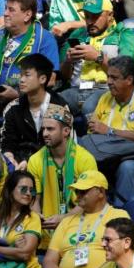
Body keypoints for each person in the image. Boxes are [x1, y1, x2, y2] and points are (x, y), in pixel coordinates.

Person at [0, 0, 60, 109]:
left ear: (27, 15)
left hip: (27, 104)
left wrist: (18, 95)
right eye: (5, 9)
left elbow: (50, 80)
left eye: (11, 10)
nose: (5, 13)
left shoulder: (44, 39)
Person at [27, 104, 97, 248]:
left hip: (78, 230)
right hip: (46, 233)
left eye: (50, 129)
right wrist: (37, 216)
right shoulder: (35, 160)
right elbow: (33, 197)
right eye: (43, 129)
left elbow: (91, 201)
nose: (45, 133)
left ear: (66, 131)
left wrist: (64, 219)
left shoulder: (85, 159)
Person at [43, 170, 129, 268]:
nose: (78, 196)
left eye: (83, 192)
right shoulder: (67, 221)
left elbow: (121, 255)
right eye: (77, 191)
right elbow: (50, 260)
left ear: (101, 192)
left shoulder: (118, 215)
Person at [80, 56, 134, 206]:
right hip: (108, 156)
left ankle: (121, 216)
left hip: (133, 158)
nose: (108, 81)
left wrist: (110, 131)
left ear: (129, 80)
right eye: (108, 76)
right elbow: (94, 136)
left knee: (128, 167)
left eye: (114, 78)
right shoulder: (105, 98)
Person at [58, 0, 134, 116]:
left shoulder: (124, 35)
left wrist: (98, 57)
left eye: (95, 17)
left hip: (107, 90)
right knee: (52, 105)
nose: (90, 21)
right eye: (87, 16)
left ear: (110, 15)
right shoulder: (77, 35)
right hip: (77, 89)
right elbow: (64, 76)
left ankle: (95, 135)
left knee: (89, 107)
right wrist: (68, 61)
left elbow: (126, 74)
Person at [0, 54, 69, 167]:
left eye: (27, 75)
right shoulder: (13, 107)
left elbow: (63, 146)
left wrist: (31, 162)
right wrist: (9, 157)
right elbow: (7, 142)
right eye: (21, 75)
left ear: (42, 79)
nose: (21, 80)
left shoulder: (59, 107)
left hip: (51, 163)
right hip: (19, 162)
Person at [0, 171, 42, 268]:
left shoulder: (33, 218)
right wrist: (15, 250)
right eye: (23, 189)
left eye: (31, 190)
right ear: (9, 190)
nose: (28, 193)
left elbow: (24, 254)